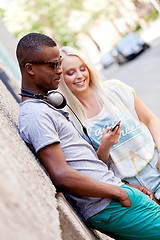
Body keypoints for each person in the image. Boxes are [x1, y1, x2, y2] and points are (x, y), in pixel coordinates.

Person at [17, 32, 160, 240]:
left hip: (127, 189)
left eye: (60, 65)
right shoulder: (37, 114)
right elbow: (62, 174)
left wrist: (125, 190)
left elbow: (86, 164)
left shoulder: (49, 109)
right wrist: (120, 191)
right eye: (54, 66)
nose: (59, 71)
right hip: (114, 199)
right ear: (30, 68)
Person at [59, 46, 160, 202]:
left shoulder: (115, 89)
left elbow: (151, 120)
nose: (79, 76)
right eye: (70, 73)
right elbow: (96, 167)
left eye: (82, 69)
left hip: (156, 166)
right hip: (134, 189)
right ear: (61, 78)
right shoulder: (70, 120)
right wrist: (105, 145)